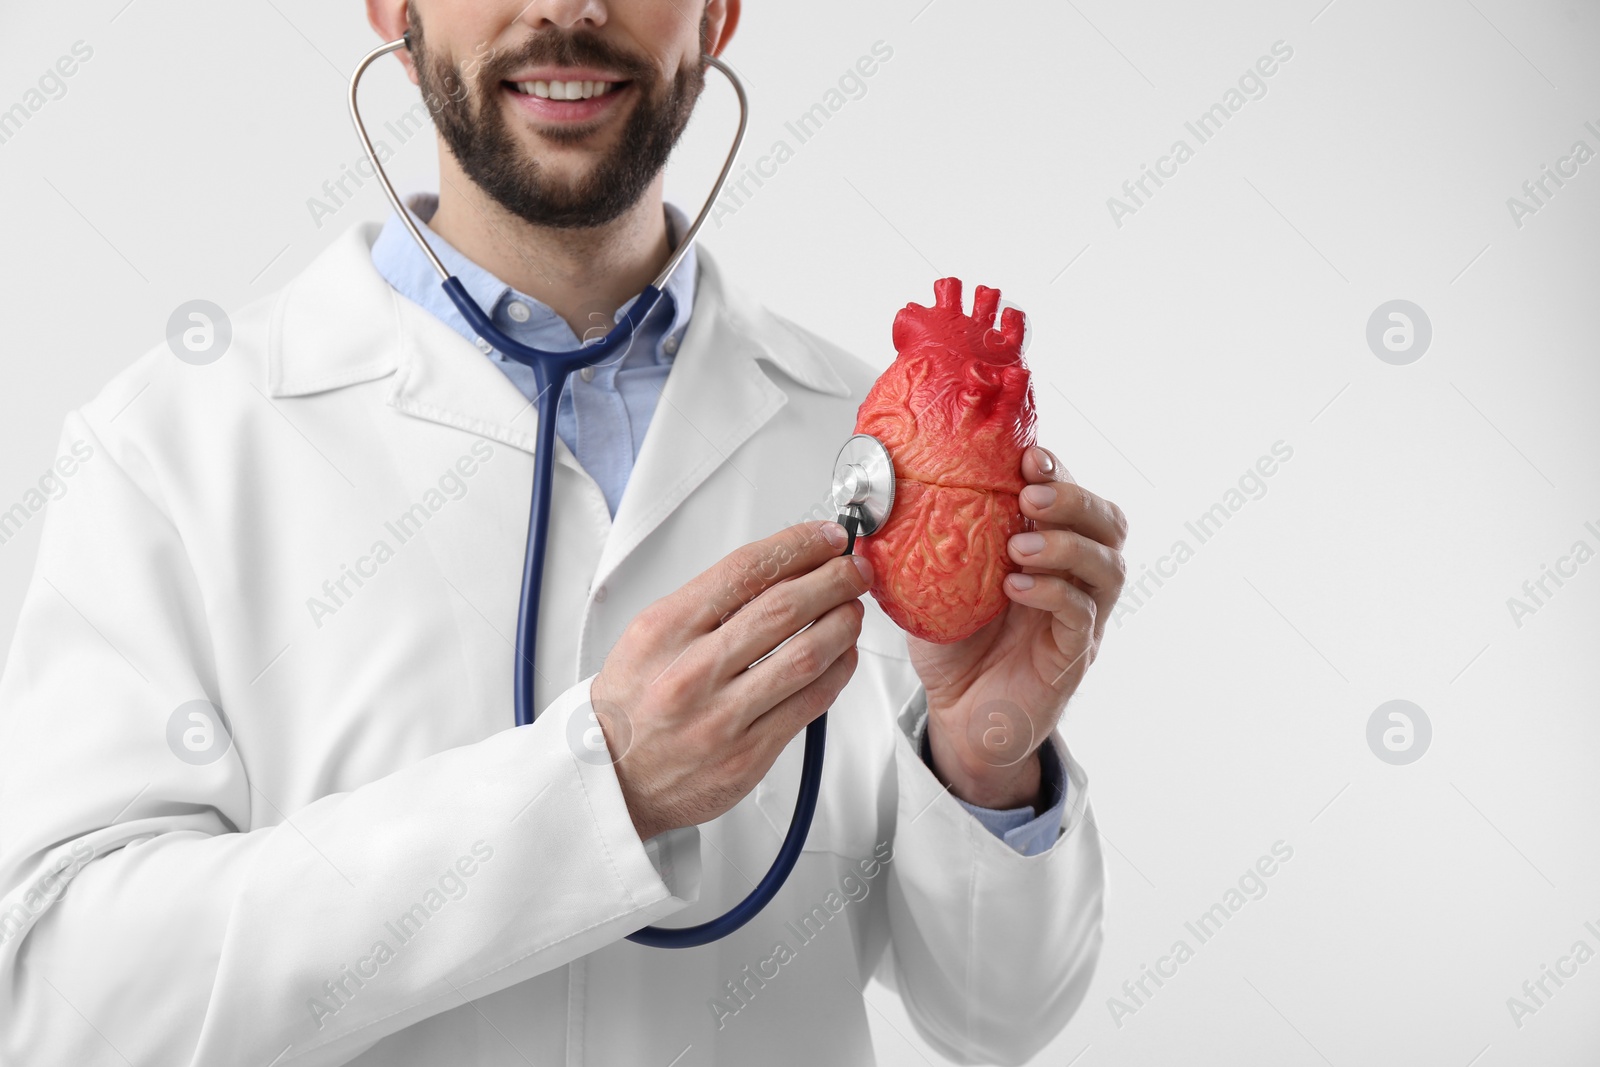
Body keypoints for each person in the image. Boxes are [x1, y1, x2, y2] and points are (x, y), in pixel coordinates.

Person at [0, 1, 1129, 1063]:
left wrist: (986, 757)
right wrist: (597, 792)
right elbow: (64, 994)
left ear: (720, 10)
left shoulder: (861, 446)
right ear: (393, 6)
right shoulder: (173, 445)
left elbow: (992, 1017)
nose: (569, 6)